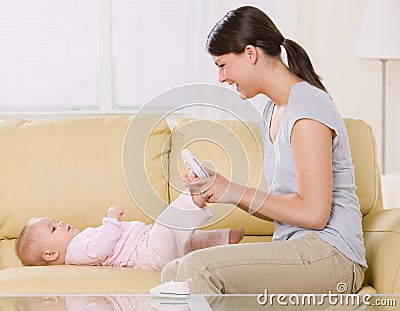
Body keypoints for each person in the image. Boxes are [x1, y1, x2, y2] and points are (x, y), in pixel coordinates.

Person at [161, 5, 367, 294]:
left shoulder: (308, 107)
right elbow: (285, 208)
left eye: (222, 65)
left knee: (197, 269)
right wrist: (223, 190)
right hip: (297, 249)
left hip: (333, 256)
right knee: (173, 271)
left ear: (249, 53)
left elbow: (314, 213)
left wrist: (233, 189)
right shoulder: (272, 112)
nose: (221, 77)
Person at [16, 177, 244, 271]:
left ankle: (223, 239)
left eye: (55, 221)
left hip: (147, 243)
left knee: (189, 242)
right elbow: (101, 248)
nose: (61, 222)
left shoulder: (77, 243)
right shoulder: (75, 253)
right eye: (53, 228)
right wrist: (111, 221)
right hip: (146, 255)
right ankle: (194, 197)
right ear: (49, 254)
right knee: (168, 224)